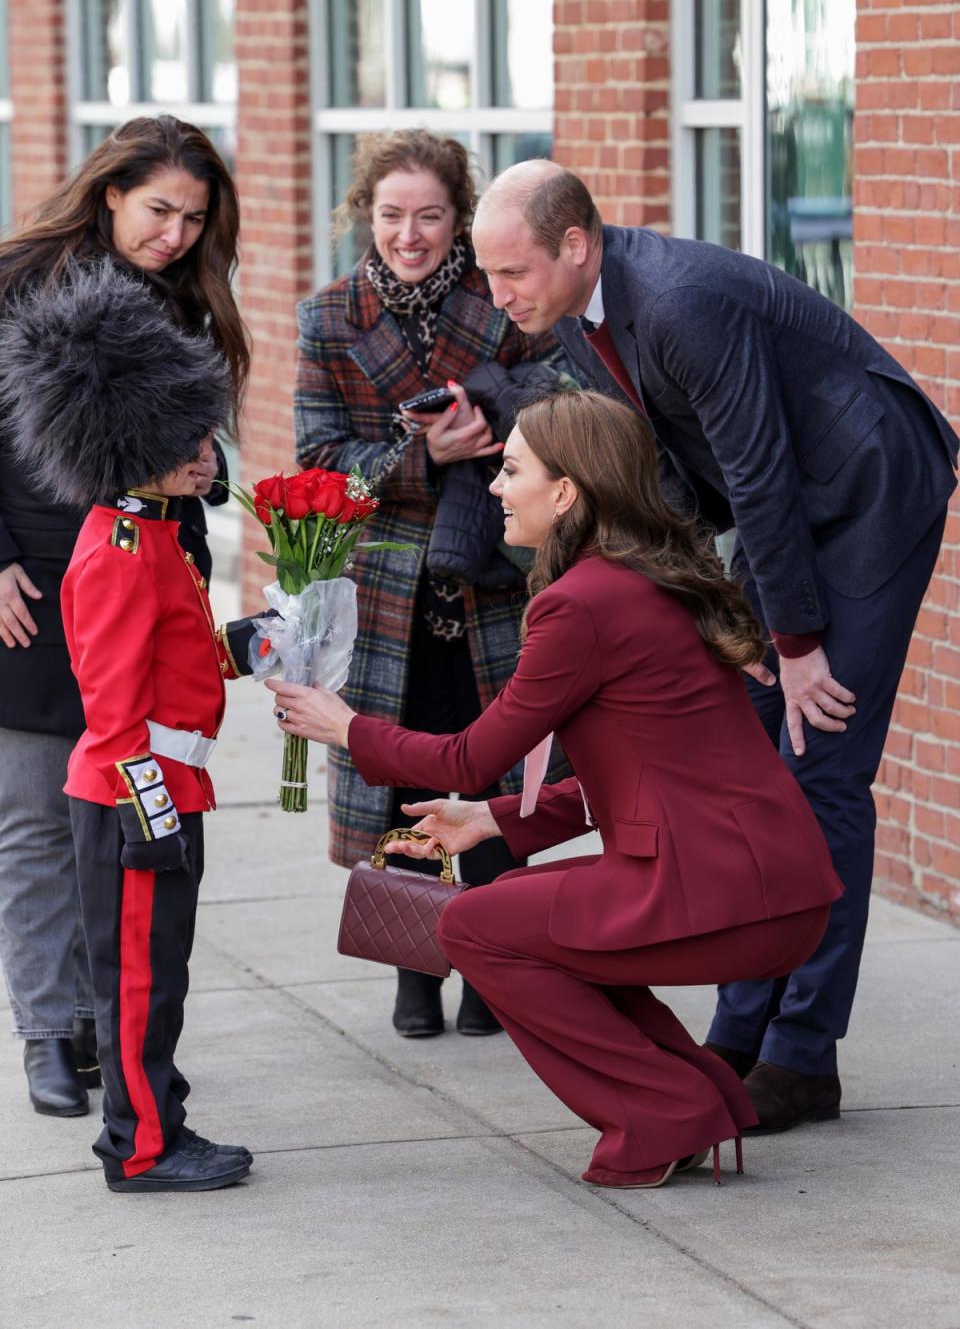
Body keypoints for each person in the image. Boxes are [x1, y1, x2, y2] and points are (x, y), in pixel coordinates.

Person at [463, 159, 959, 1134]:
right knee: (740, 748)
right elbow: (678, 478)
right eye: (489, 276)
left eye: (511, 272)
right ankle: (741, 1031)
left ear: (574, 244)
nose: (499, 295)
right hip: (792, 507)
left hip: (866, 484)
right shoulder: (580, 315)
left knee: (821, 764)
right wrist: (695, 613)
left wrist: (795, 641)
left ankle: (803, 1057)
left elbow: (759, 473)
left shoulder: (681, 303)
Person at [266, 390, 843, 1189]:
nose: (496, 487)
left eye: (511, 470)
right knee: (519, 920)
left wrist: (344, 727)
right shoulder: (646, 581)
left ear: (566, 491)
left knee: (475, 926)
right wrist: (489, 821)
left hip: (724, 892)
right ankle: (696, 1095)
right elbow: (645, 769)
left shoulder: (582, 603)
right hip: (768, 884)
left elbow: (470, 753)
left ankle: (666, 1110)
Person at [0, 115, 248, 1119]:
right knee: (34, 823)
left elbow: (196, 450)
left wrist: (211, 469)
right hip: (33, 584)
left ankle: (116, 1019)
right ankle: (49, 1031)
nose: (177, 234)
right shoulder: (19, 281)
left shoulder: (185, 299)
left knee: (126, 814)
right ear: (108, 192)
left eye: (194, 218)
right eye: (159, 210)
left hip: (148, 586)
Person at [294, 129, 567, 1039]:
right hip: (383, 595)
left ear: (460, 217)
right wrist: (419, 453)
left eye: (430, 216)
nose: (409, 235)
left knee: (490, 776)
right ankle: (413, 968)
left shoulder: (502, 308)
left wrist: (497, 427)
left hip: (492, 575)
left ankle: (488, 967)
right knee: (396, 783)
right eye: (391, 215)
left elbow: (562, 412)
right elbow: (319, 468)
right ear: (363, 215)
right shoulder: (329, 317)